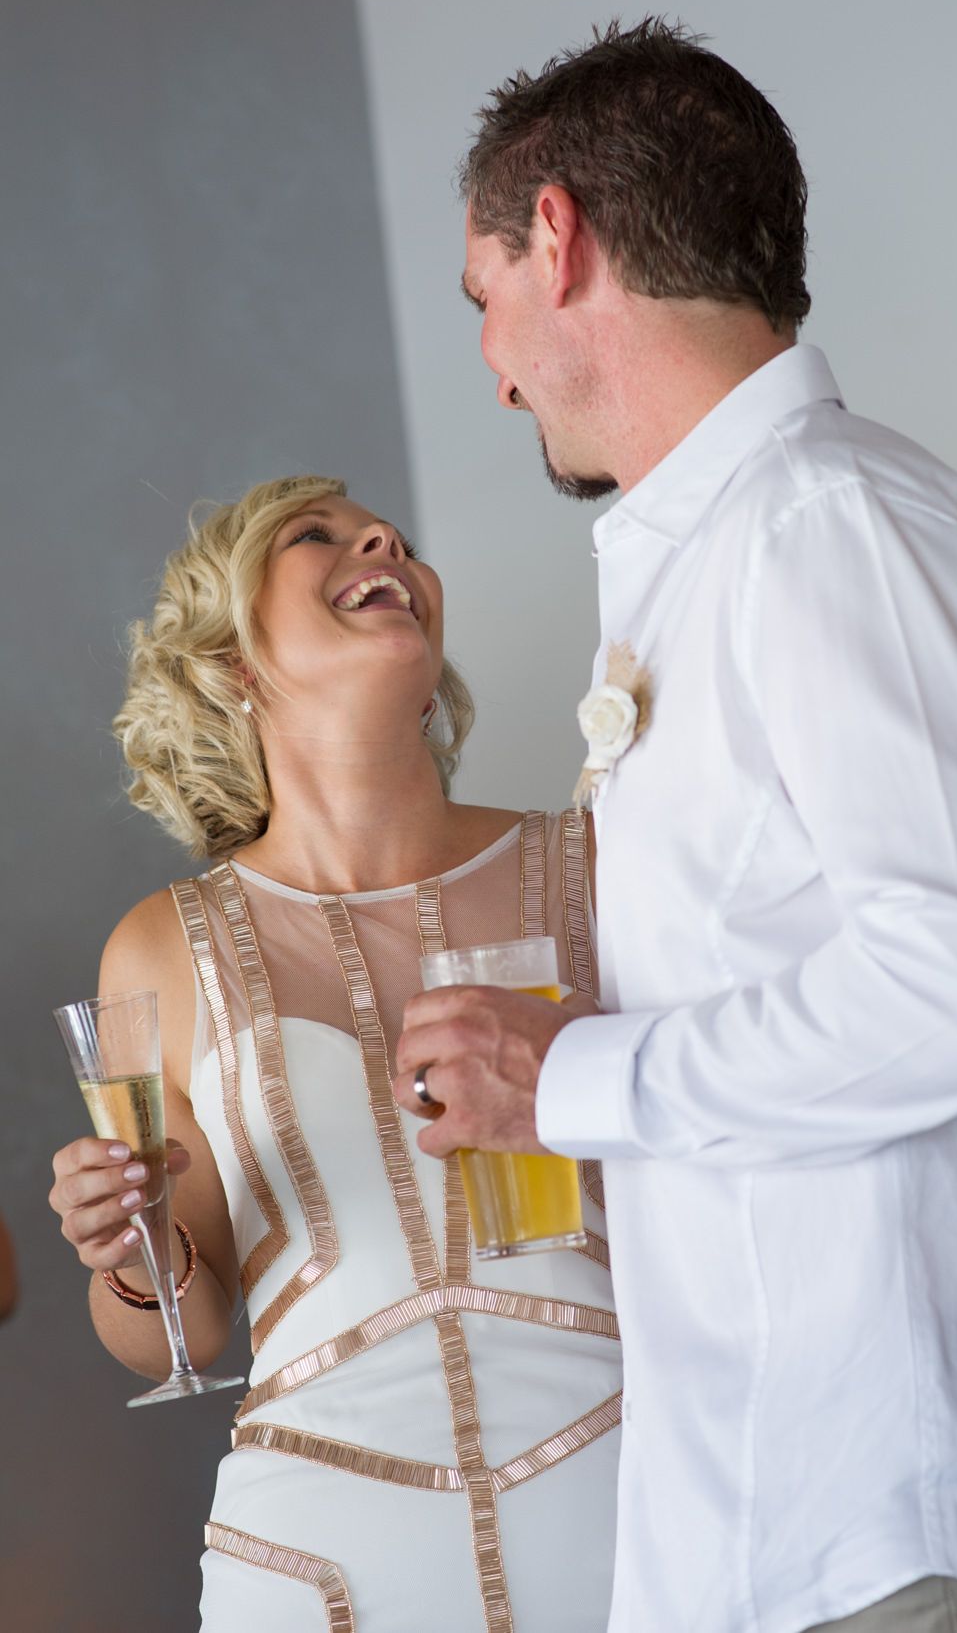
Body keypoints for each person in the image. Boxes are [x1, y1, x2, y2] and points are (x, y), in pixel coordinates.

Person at [397, 21, 957, 1633]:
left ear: (557, 239)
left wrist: (568, 1077)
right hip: (791, 1534)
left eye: (480, 290)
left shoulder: (829, 525)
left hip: (918, 1522)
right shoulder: (747, 548)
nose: (489, 362)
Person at [48, 475, 620, 1633]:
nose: (380, 540)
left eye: (397, 538)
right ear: (232, 660)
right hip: (318, 1566)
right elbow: (180, 1330)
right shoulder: (158, 946)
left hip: (631, 1504)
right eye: (317, 534)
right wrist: (128, 1248)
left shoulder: (604, 864)